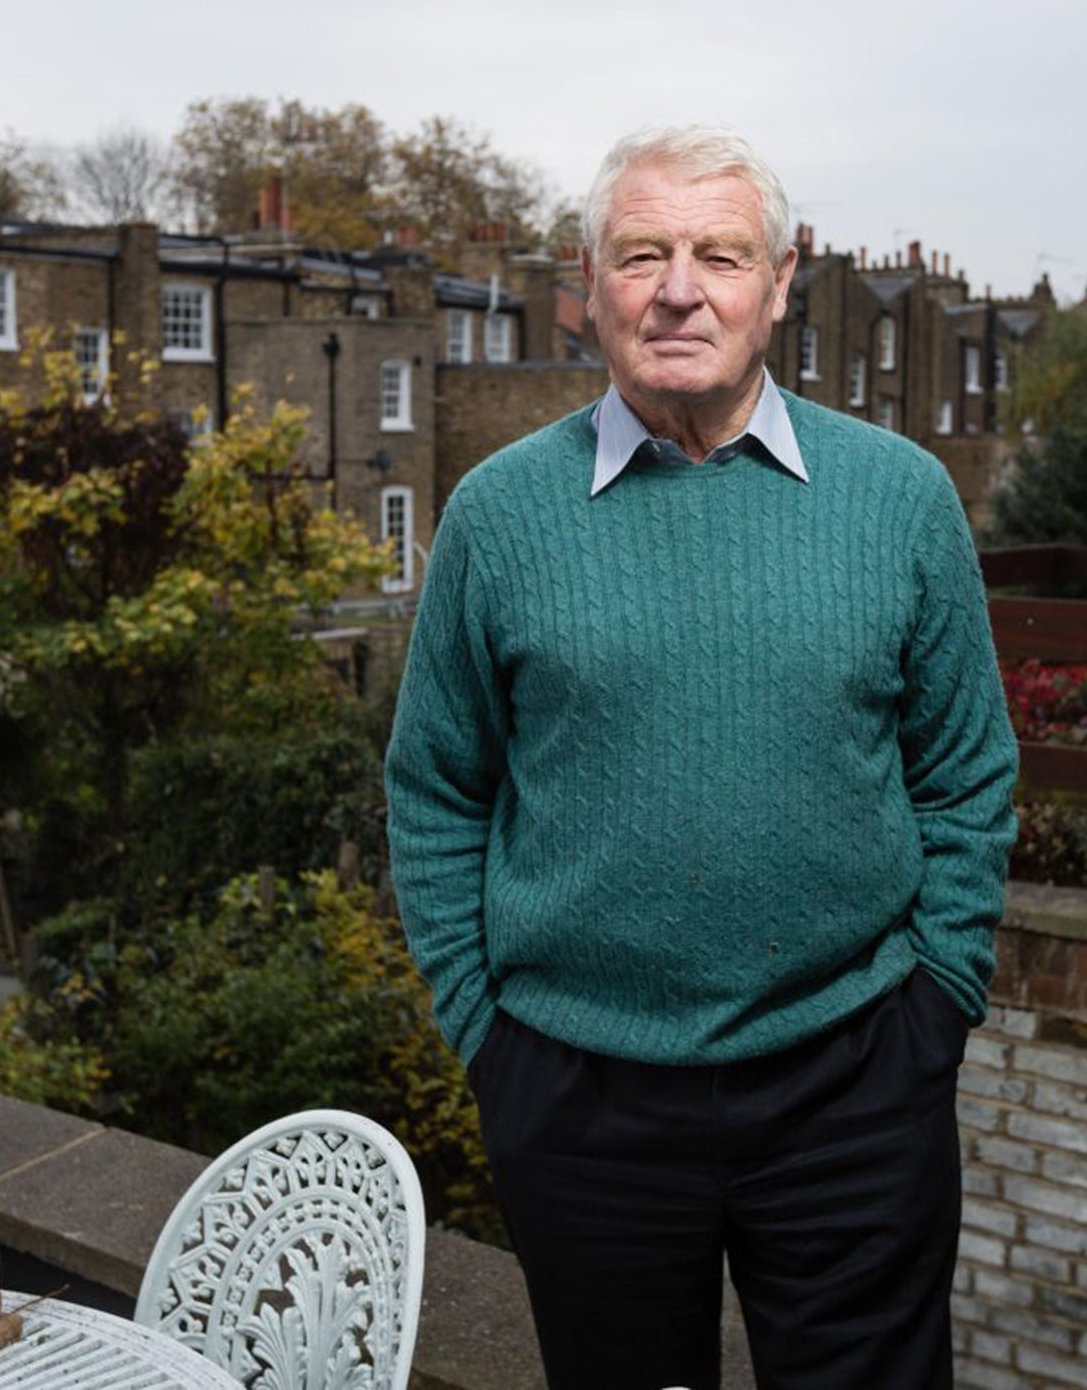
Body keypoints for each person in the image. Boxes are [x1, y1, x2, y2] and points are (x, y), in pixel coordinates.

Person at [384, 124, 1018, 1389]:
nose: (679, 288)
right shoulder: (499, 515)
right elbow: (436, 787)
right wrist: (487, 1038)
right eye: (641, 255)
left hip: (851, 1080)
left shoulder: (897, 496)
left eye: (719, 255)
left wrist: (933, 1003)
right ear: (587, 288)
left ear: (778, 285)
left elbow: (964, 773)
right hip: (579, 1096)